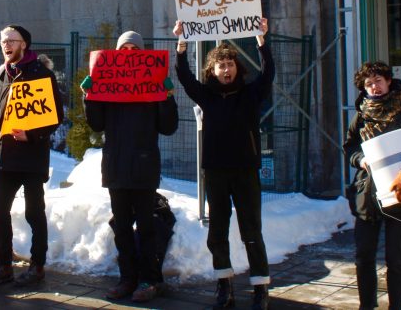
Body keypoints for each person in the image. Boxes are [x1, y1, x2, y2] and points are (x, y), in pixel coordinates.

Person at [172, 18, 273, 310]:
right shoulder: (206, 95)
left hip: (246, 171)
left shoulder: (251, 94)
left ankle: (260, 287)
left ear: (237, 68)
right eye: (221, 65)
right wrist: (181, 44)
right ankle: (224, 284)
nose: (226, 70)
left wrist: (261, 40)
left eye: (230, 64)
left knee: (251, 230)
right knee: (217, 230)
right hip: (216, 172)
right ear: (213, 71)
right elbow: (185, 77)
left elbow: (268, 74)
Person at [82, 30, 179, 303]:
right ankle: (128, 278)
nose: (129, 56)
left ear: (142, 54)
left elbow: (169, 127)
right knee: (122, 227)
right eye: (123, 51)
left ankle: (150, 278)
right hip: (116, 167)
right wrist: (89, 95)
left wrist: (167, 95)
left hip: (144, 168)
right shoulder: (108, 88)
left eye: (134, 51)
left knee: (146, 228)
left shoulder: (153, 89)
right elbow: (97, 124)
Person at [0, 25, 63, 288]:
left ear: (24, 44)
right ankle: (4, 267)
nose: (6, 44)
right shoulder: (1, 74)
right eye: (2, 41)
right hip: (4, 159)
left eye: (11, 40)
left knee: (34, 212)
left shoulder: (41, 74)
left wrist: (32, 135)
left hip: (32, 158)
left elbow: (56, 116)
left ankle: (37, 266)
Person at [343, 61, 401, 310]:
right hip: (367, 194)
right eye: (369, 83)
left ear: (388, 81)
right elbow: (349, 146)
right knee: (363, 256)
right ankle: (367, 306)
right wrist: (360, 159)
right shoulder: (361, 114)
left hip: (398, 192)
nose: (374, 86)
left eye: (378, 80)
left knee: (396, 258)